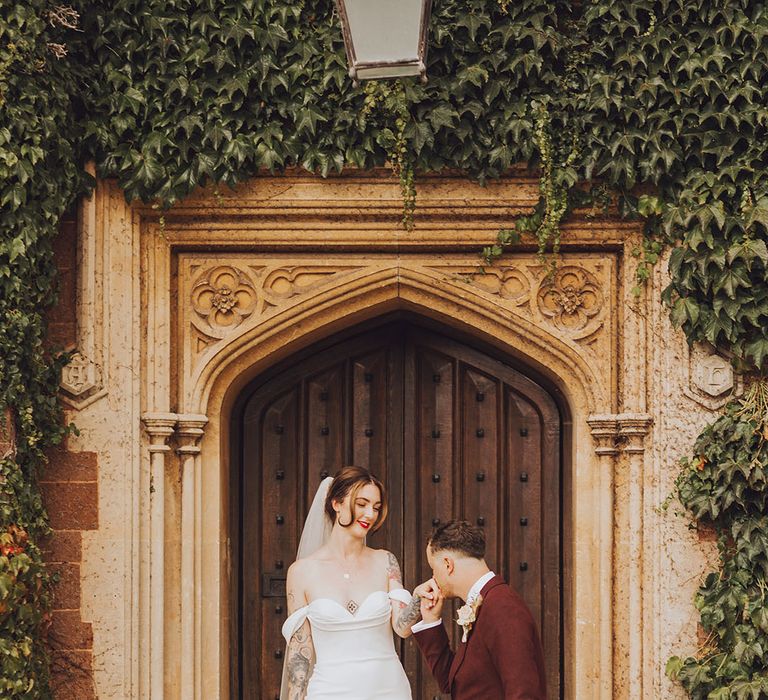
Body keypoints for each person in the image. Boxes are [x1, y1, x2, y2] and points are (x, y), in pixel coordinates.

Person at [281, 466, 420, 699]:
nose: (370, 514)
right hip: (329, 691)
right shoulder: (301, 572)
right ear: (336, 503)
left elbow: (402, 628)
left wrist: (419, 598)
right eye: (361, 504)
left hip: (389, 689)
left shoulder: (385, 560)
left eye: (376, 507)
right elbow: (300, 653)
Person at [411, 520, 547, 699]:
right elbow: (451, 682)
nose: (433, 578)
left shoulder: (502, 606)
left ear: (447, 565)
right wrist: (431, 622)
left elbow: (524, 692)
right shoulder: (485, 602)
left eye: (433, 569)